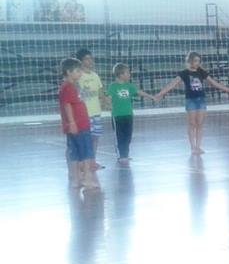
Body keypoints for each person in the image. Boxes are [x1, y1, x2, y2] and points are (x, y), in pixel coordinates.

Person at [154, 52, 229, 155]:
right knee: (192, 124)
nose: (197, 63)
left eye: (199, 61)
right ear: (190, 61)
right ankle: (193, 147)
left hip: (201, 100)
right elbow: (172, 84)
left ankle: (198, 146)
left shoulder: (201, 72)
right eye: (195, 61)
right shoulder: (184, 73)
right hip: (190, 100)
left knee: (200, 124)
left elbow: (215, 83)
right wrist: (160, 93)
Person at [59, 58, 99, 191]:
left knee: (75, 154)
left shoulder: (71, 86)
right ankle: (87, 178)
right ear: (69, 72)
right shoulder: (69, 87)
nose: (80, 73)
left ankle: (76, 179)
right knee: (86, 152)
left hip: (77, 125)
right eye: (77, 71)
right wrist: (72, 122)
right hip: (79, 126)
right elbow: (67, 105)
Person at [106, 63, 156, 166]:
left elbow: (139, 92)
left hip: (128, 114)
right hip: (117, 115)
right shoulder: (113, 86)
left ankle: (126, 154)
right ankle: (121, 155)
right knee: (119, 136)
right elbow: (108, 98)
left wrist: (151, 97)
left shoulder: (129, 85)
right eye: (128, 73)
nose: (129, 75)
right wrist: (108, 104)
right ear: (121, 74)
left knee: (128, 136)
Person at [75, 49, 107, 167]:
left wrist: (107, 103)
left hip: (96, 112)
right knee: (85, 138)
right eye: (86, 59)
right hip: (84, 113)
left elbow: (100, 93)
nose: (90, 61)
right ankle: (83, 162)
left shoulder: (95, 76)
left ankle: (92, 161)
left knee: (95, 137)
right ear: (80, 61)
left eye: (91, 58)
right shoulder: (78, 76)